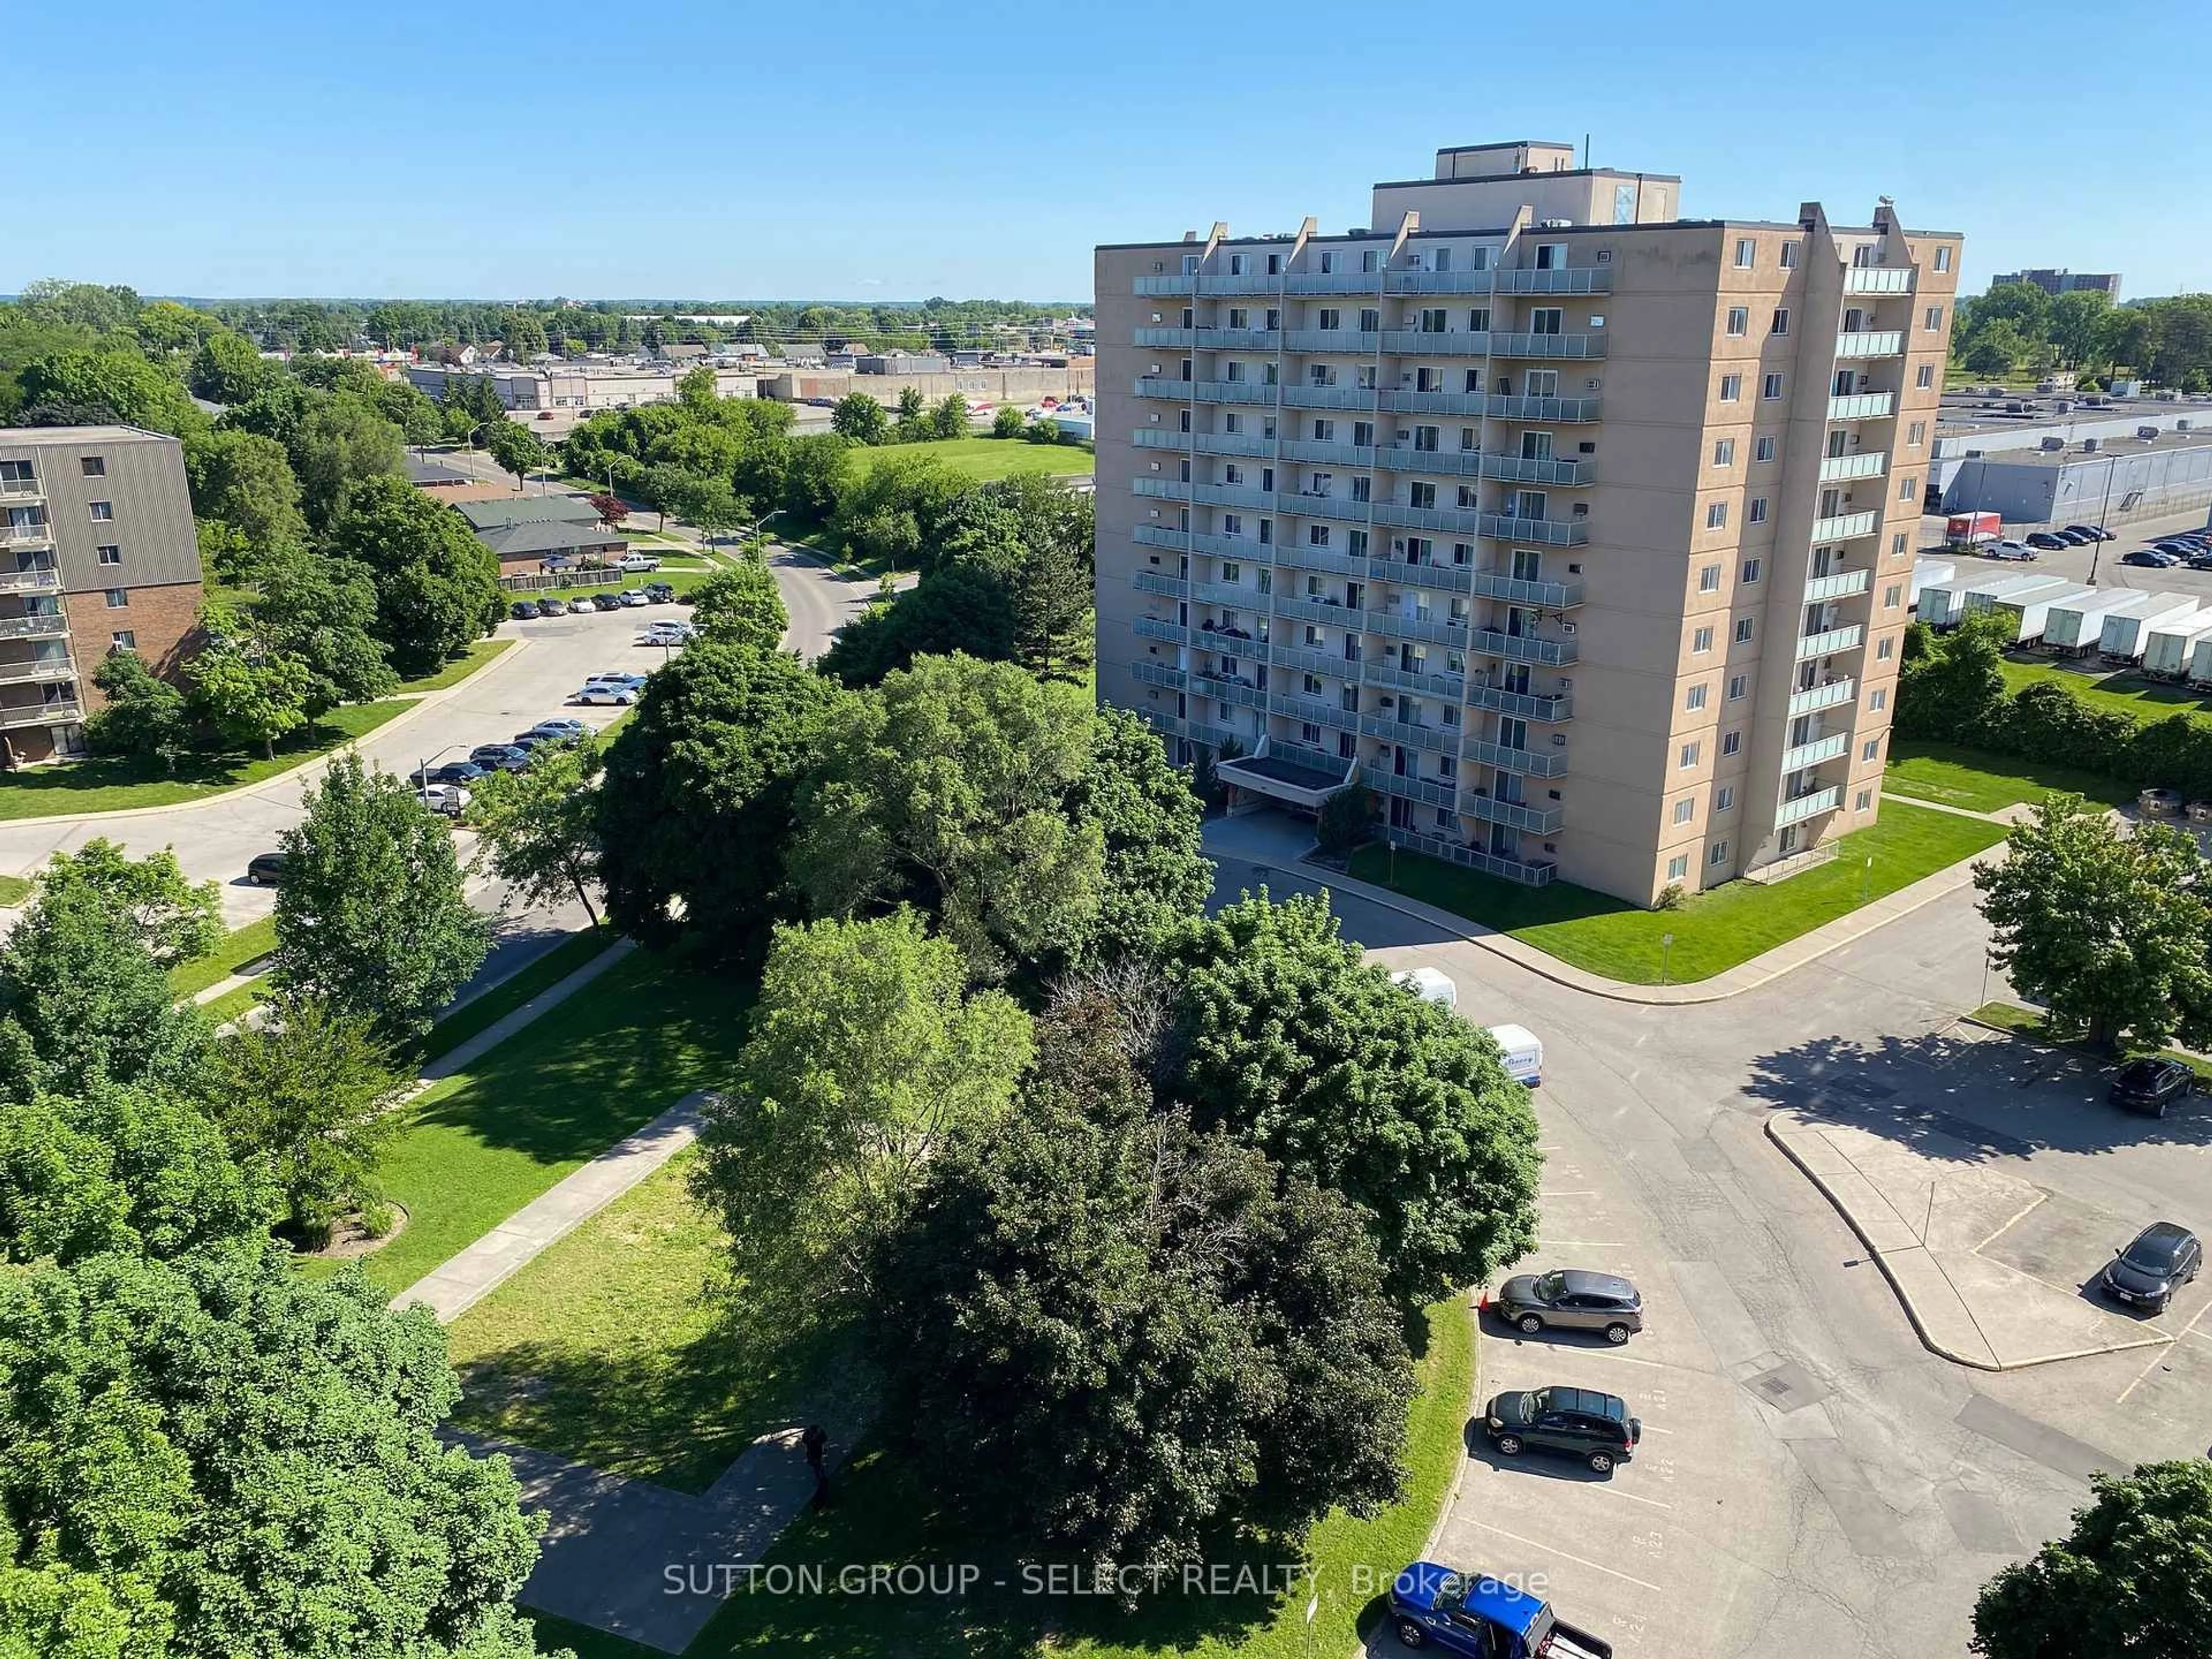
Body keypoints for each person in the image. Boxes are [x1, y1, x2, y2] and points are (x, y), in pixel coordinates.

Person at [801, 1423, 829, 1506]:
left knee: (817, 1465)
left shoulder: (809, 1435)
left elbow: (806, 1441)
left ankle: (821, 1478)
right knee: (817, 1465)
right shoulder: (815, 1435)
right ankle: (821, 1478)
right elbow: (824, 1440)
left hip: (814, 1453)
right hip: (814, 1453)